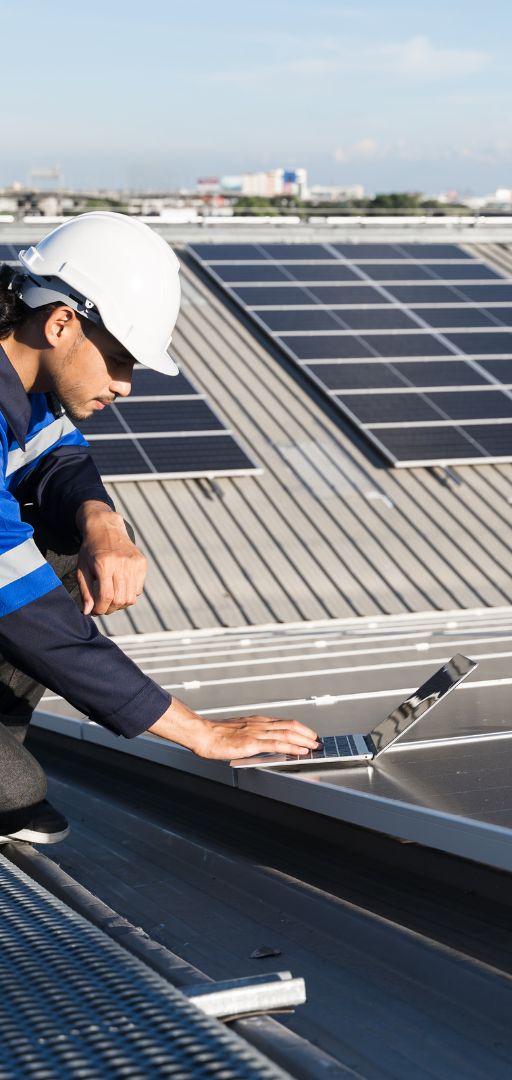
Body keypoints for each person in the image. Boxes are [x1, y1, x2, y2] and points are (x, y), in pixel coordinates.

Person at [0, 212, 319, 843]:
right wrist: (198, 732)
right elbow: (32, 616)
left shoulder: (18, 378)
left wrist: (101, 521)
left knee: (69, 535)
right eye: (118, 357)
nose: (124, 385)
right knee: (15, 794)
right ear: (62, 321)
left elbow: (58, 456)